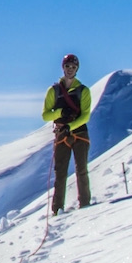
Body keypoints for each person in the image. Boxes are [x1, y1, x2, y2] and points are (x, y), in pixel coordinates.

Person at [44, 54, 95, 213]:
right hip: (63, 134)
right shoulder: (53, 90)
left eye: (73, 67)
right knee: (60, 173)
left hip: (78, 134)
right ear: (63, 67)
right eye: (68, 66)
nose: (70, 70)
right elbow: (45, 115)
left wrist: (69, 126)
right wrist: (60, 112)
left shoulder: (84, 90)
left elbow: (86, 115)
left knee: (81, 170)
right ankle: (57, 209)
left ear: (77, 69)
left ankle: (85, 204)